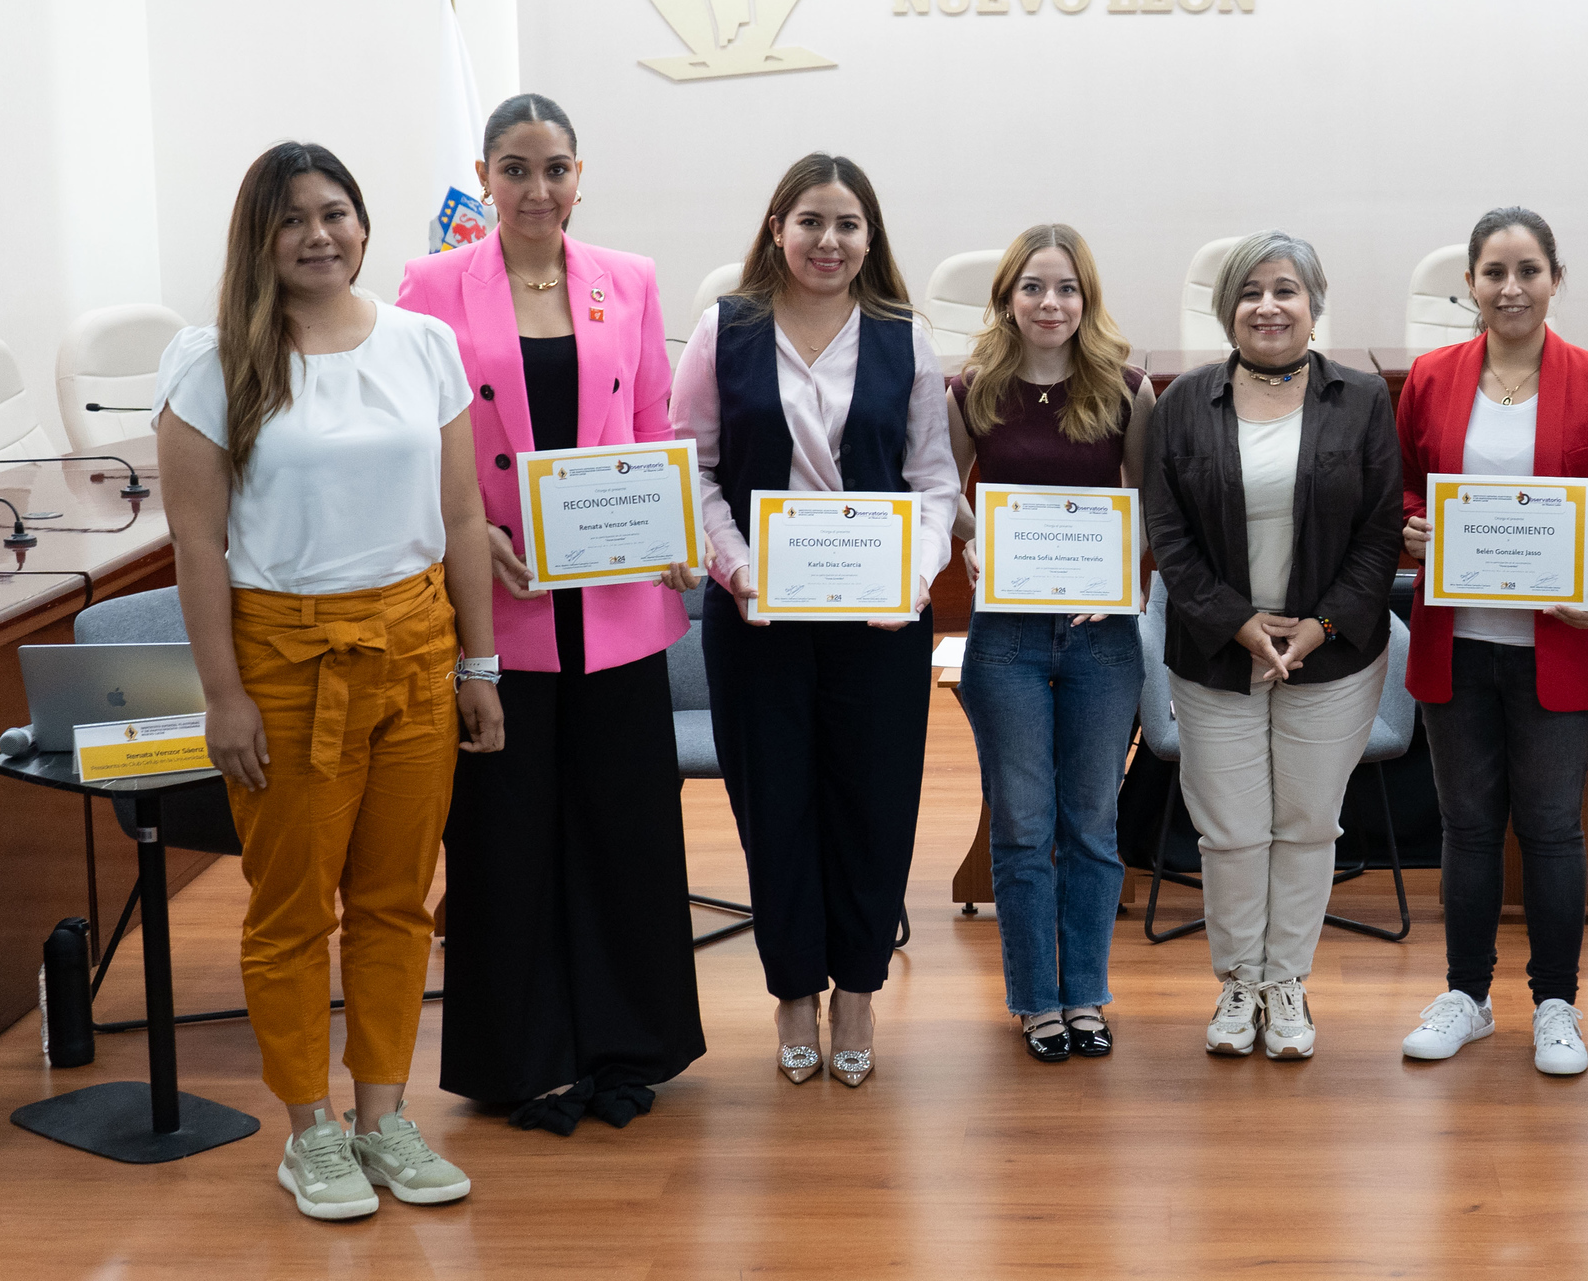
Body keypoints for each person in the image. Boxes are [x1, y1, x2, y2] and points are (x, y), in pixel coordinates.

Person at [154, 141, 503, 1221]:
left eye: (337, 212)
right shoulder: (209, 364)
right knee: (293, 908)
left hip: (412, 645)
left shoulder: (424, 343)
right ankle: (309, 1128)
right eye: (293, 217)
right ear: (259, 236)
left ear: (363, 224)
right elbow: (197, 549)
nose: (319, 234)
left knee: (397, 901)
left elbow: (458, 518)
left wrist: (477, 663)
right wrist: (224, 696)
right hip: (284, 656)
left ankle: (382, 1115)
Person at [396, 92, 707, 1135]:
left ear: (582, 176)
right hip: (500, 603)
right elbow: (411, 440)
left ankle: (630, 1043)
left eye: (556, 168)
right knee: (508, 837)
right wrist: (460, 534)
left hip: (615, 602)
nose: (538, 189)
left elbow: (655, 417)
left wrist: (671, 523)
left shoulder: (632, 279)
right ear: (484, 176)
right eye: (517, 169)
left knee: (623, 829)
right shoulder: (431, 287)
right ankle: (521, 1056)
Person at [672, 152, 958, 1088]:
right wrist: (738, 567)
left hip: (880, 620)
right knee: (775, 805)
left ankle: (859, 989)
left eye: (847, 225)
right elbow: (694, 465)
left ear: (870, 238)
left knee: (875, 804)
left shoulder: (905, 338)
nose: (827, 241)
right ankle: (794, 988)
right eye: (810, 222)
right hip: (755, 615)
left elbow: (933, 482)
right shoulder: (725, 330)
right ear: (775, 230)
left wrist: (911, 580)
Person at [1144, 230, 1402, 1061]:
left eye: (1285, 289)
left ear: (1313, 303)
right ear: (1227, 307)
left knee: (1306, 825)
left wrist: (1320, 625)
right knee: (1230, 832)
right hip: (1218, 649)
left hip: (1332, 652)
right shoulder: (1183, 401)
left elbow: (1379, 534)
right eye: (1250, 290)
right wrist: (1240, 623)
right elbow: (1168, 536)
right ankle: (1237, 984)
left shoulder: (1362, 399)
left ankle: (1286, 982)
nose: (1268, 304)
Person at [1393, 207, 1588, 1077]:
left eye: (1528, 270)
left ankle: (1556, 1004)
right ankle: (1466, 994)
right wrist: (1413, 532)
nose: (1511, 287)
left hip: (1559, 647)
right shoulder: (1430, 377)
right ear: (1470, 283)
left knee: (1549, 828)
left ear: (1554, 280)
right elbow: (1405, 495)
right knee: (1466, 826)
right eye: (1493, 271)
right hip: (1456, 641)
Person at [946, 224, 1155, 1063]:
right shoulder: (973, 390)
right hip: (1006, 637)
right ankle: (1038, 1001)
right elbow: (939, 487)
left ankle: (1087, 995)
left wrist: (1118, 571)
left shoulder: (1127, 388)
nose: (1050, 303)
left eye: (1066, 288)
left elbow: (1144, 502)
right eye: (1034, 286)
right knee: (1025, 825)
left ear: (1086, 299)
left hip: (1101, 637)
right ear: (1008, 296)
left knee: (1093, 824)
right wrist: (969, 536)